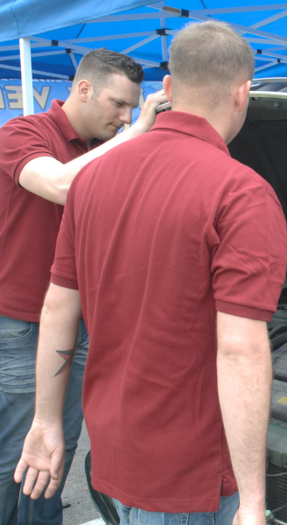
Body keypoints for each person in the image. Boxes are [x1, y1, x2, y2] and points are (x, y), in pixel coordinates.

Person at [15, 20, 287, 525]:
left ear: (166, 88)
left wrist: (46, 421)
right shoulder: (241, 193)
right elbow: (239, 348)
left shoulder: (92, 178)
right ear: (242, 93)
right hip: (190, 476)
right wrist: (253, 501)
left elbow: (57, 305)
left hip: (116, 446)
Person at [0, 48, 167, 525]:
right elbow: (60, 186)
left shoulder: (103, 146)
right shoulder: (22, 133)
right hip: (25, 325)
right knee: (20, 449)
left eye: (132, 109)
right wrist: (136, 134)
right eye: (117, 104)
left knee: (60, 442)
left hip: (80, 322)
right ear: (83, 88)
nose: (125, 117)